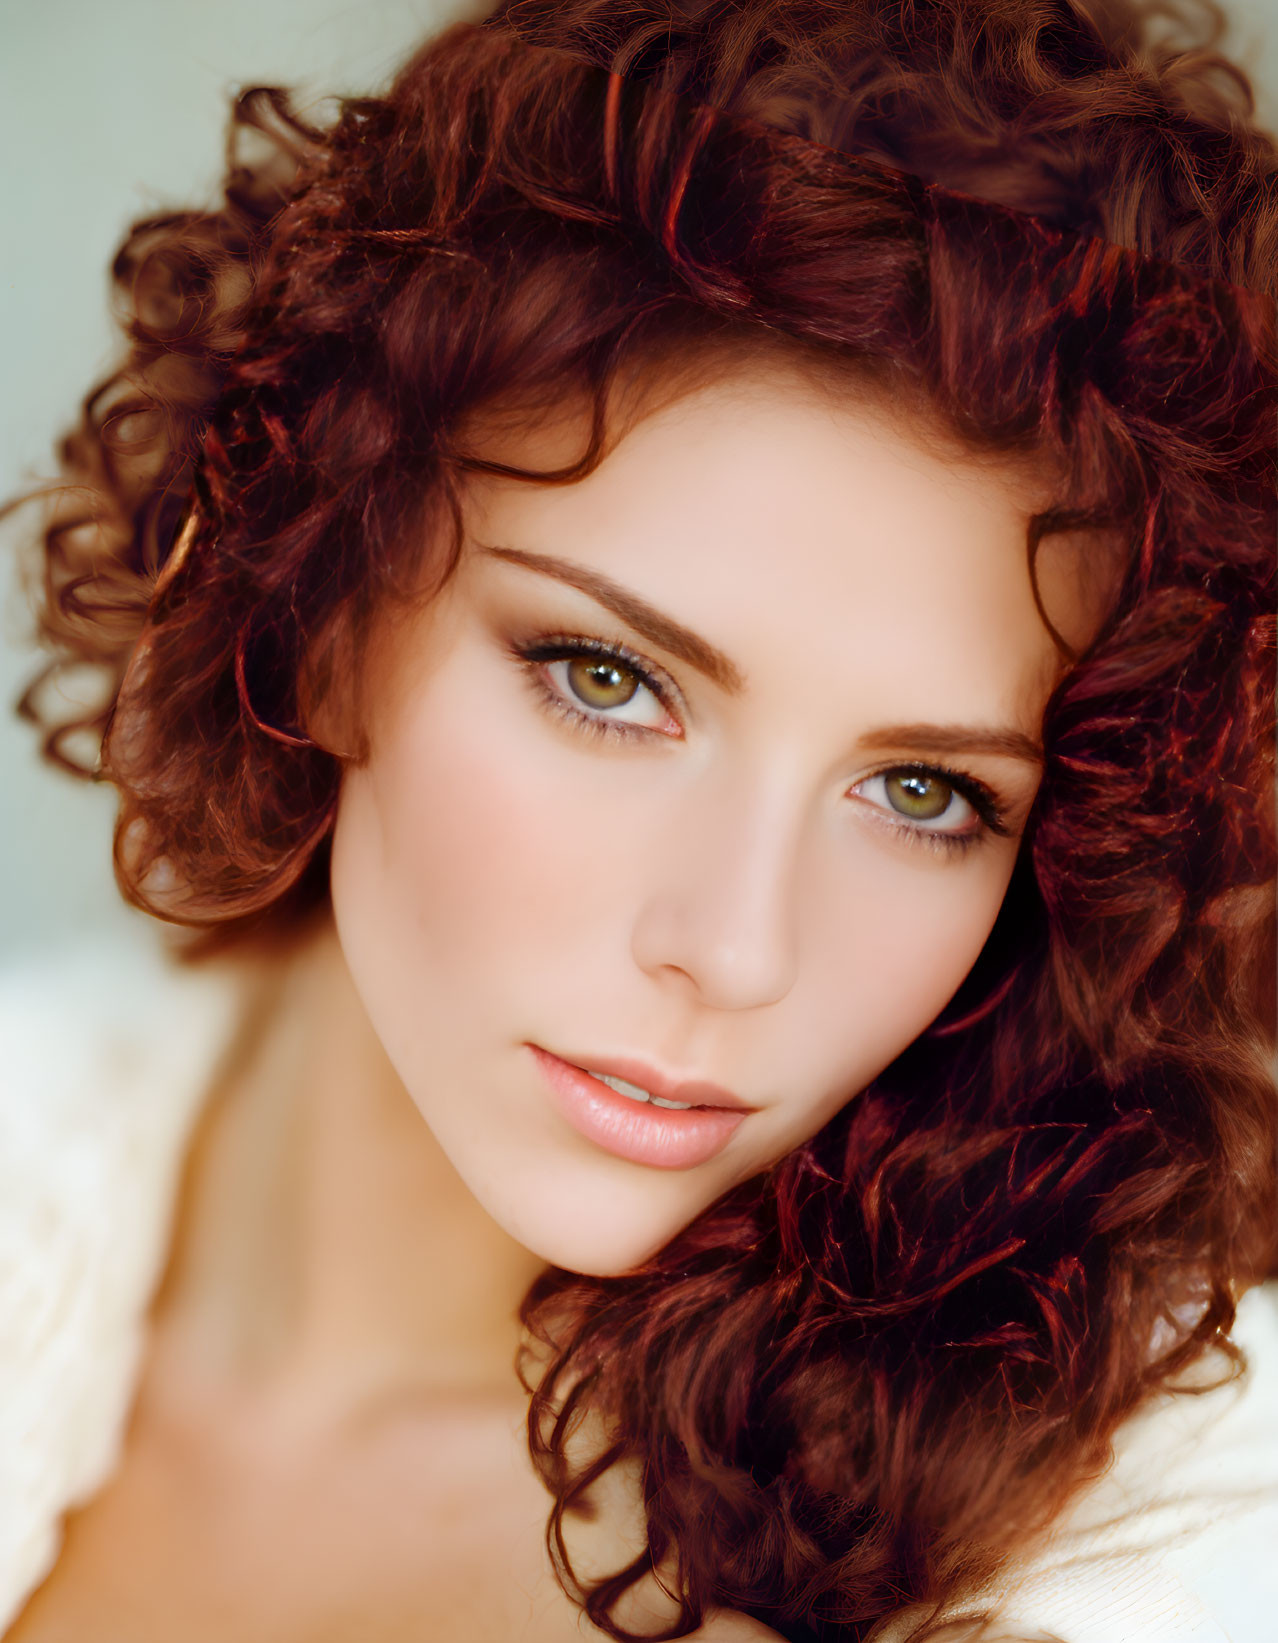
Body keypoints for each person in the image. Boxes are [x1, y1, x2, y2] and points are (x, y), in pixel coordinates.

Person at [2, 0, 1274, 1639]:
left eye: (921, 794)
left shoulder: (1172, 1532)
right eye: (608, 682)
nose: (735, 949)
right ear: (310, 606)